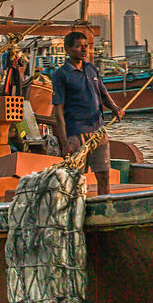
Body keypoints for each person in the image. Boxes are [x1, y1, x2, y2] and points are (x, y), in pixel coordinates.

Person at [46, 29, 114, 195]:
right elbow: (59, 112)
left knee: (104, 174)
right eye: (79, 47)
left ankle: (105, 206)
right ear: (68, 50)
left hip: (98, 131)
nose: (84, 50)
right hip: (76, 133)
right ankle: (75, 209)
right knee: (77, 179)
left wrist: (115, 108)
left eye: (85, 46)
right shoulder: (61, 75)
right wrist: (64, 142)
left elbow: (103, 94)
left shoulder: (91, 69)